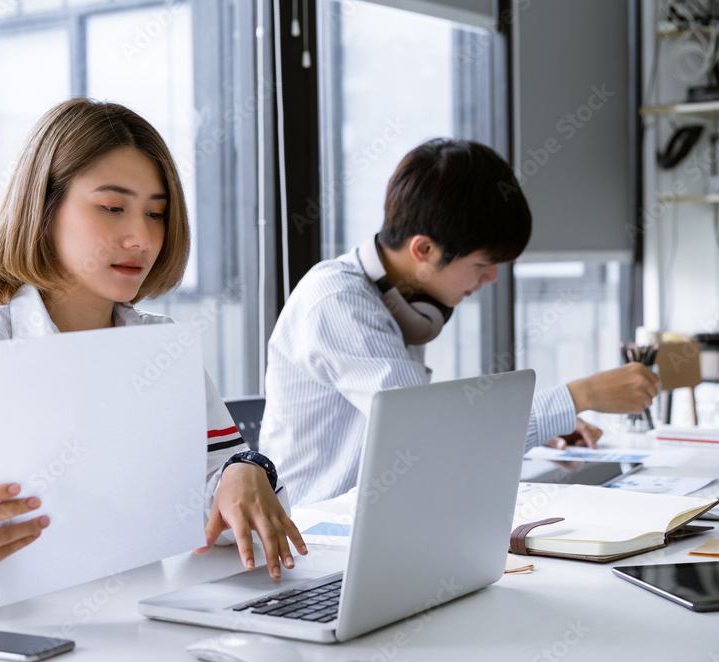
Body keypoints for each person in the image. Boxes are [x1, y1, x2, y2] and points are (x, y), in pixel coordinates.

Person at [0, 98, 306, 618]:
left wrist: (246, 472)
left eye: (156, 213)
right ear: (42, 209)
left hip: (150, 623)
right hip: (27, 632)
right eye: (113, 207)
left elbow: (217, 513)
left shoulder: (161, 347)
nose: (142, 237)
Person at [259, 139, 659, 506]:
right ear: (425, 249)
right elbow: (432, 438)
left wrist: (535, 426)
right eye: (482, 265)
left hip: (379, 528)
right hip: (314, 542)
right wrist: (578, 396)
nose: (492, 279)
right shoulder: (340, 304)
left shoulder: (402, 302)